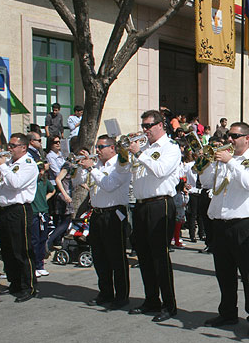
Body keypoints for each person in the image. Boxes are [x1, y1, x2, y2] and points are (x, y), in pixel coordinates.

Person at [199, 122, 249, 337]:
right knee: (224, 273)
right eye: (229, 135)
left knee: (248, 275)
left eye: (235, 136)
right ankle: (228, 312)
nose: (230, 139)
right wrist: (208, 162)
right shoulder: (223, 158)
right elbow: (206, 182)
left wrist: (231, 163)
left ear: (247, 138)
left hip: (243, 224)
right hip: (220, 222)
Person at [128, 110, 181, 323]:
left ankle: (169, 304)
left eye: (149, 125)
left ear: (161, 125)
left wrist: (140, 154)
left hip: (161, 204)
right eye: (143, 126)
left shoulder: (170, 148)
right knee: (144, 256)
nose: (145, 130)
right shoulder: (146, 148)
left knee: (160, 256)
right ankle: (151, 299)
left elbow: (160, 170)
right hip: (141, 205)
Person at [78, 135, 132, 310]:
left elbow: (109, 185)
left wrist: (92, 168)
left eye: (101, 147)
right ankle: (105, 292)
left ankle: (121, 296)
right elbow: (78, 182)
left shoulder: (121, 164)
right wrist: (82, 167)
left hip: (114, 213)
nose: (98, 151)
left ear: (112, 148)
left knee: (116, 257)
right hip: (97, 213)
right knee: (100, 257)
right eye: (97, 147)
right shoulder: (98, 165)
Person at [0, 133, 39, 302]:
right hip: (5, 210)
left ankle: (28, 286)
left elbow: (16, 183)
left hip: (19, 209)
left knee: (21, 249)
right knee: (7, 249)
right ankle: (14, 283)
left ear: (23, 147)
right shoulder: (7, 163)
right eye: (9, 145)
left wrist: (2, 166)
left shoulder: (28, 164)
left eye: (13, 145)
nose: (10, 148)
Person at [30, 161, 55, 277]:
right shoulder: (31, 181)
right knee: (34, 240)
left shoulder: (44, 181)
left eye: (42, 169)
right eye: (39, 169)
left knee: (42, 239)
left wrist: (45, 198)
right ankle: (34, 265)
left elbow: (52, 190)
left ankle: (40, 265)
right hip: (34, 213)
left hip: (43, 212)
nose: (40, 172)